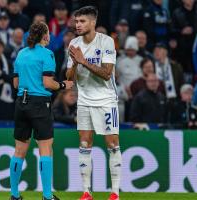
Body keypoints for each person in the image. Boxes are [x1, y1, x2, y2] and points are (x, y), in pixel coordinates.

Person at [10, 22, 73, 200]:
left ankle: (14, 195)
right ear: (45, 36)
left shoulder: (21, 54)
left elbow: (15, 84)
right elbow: (47, 83)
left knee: (19, 150)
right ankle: (47, 196)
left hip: (21, 103)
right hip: (39, 104)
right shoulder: (47, 54)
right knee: (45, 149)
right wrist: (63, 85)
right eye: (48, 34)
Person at [66, 6, 121, 200]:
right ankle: (86, 192)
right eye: (76, 21)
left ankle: (115, 193)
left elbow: (107, 74)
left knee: (112, 144)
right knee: (84, 143)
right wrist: (73, 64)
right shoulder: (73, 43)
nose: (77, 25)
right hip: (84, 101)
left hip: (106, 100)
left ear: (92, 22)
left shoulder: (106, 42)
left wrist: (83, 61)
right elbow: (69, 79)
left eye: (81, 21)